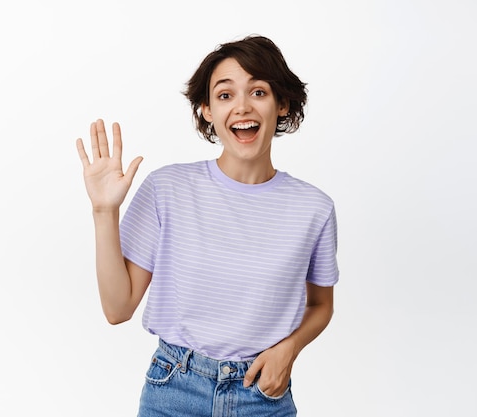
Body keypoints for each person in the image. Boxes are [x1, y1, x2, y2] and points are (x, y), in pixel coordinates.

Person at [76, 35, 339, 417]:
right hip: (174, 390)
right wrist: (104, 212)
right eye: (225, 95)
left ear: (282, 104)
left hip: (262, 395)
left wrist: (289, 349)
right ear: (206, 110)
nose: (242, 107)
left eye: (259, 92)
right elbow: (118, 309)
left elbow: (321, 305)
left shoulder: (314, 208)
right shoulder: (167, 189)